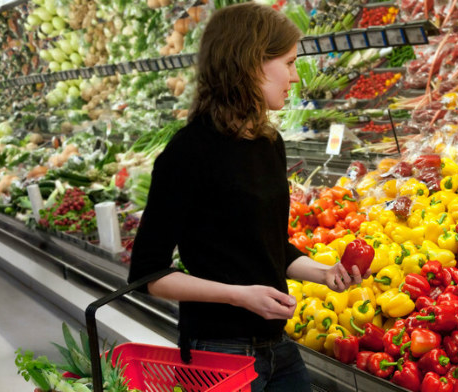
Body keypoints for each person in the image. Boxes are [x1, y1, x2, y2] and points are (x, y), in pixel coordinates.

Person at [128, 3, 366, 391]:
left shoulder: (268, 142)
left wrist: (323, 273)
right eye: (288, 63)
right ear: (252, 64)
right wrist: (239, 297)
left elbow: (267, 246)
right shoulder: (188, 152)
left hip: (277, 347)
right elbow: (148, 275)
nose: (295, 77)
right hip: (216, 353)